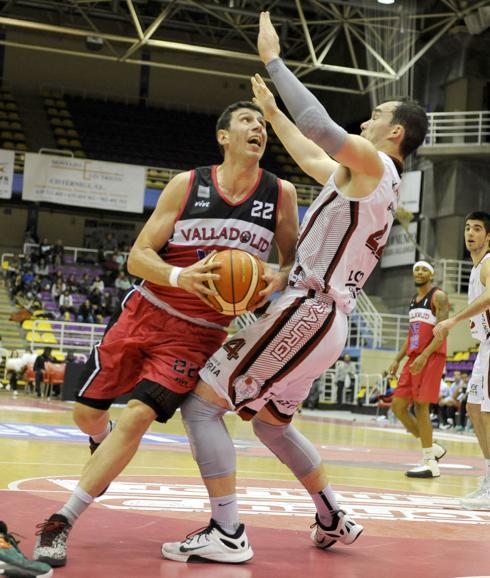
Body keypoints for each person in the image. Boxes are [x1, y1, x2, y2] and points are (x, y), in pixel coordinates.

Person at [160, 11, 428, 565]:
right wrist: (273, 114)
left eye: (376, 115)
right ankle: (332, 515)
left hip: (309, 308)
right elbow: (311, 153)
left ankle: (227, 532)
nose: (368, 120)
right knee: (270, 423)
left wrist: (275, 62)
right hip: (324, 319)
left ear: (394, 133)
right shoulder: (368, 179)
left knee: (203, 406)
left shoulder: (375, 162)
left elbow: (322, 131)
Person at [33, 99, 298, 567]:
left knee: (137, 416)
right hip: (145, 312)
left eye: (262, 124)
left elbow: (290, 261)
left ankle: (61, 520)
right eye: (247, 121)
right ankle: (102, 440)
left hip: (196, 336)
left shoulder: (281, 194)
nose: (258, 128)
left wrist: (275, 281)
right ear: (224, 135)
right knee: (85, 416)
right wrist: (182, 277)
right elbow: (138, 257)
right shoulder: (187, 184)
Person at [433, 211, 490, 509]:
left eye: (477, 229)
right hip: (484, 346)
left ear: (488, 236)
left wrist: (452, 320)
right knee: (474, 408)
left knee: (487, 413)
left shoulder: (489, 262)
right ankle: (488, 483)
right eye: (467, 228)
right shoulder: (475, 267)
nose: (470, 233)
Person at [389, 261, 449, 478]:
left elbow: (443, 331)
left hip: (430, 357)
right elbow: (411, 335)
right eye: (417, 269)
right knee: (398, 406)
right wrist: (397, 359)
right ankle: (431, 447)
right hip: (414, 357)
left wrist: (424, 355)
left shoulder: (438, 296)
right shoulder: (413, 302)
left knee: (421, 407)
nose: (420, 272)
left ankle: (430, 462)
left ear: (431, 275)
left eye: (424, 269)